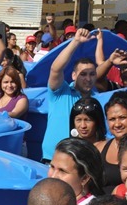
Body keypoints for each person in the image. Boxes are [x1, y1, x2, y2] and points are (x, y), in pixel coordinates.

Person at [42, 28, 98, 163]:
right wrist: (76, 41)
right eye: (83, 74)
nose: (88, 78)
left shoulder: (98, 100)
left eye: (92, 74)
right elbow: (56, 69)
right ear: (73, 76)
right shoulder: (61, 92)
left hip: (81, 162)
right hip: (52, 160)